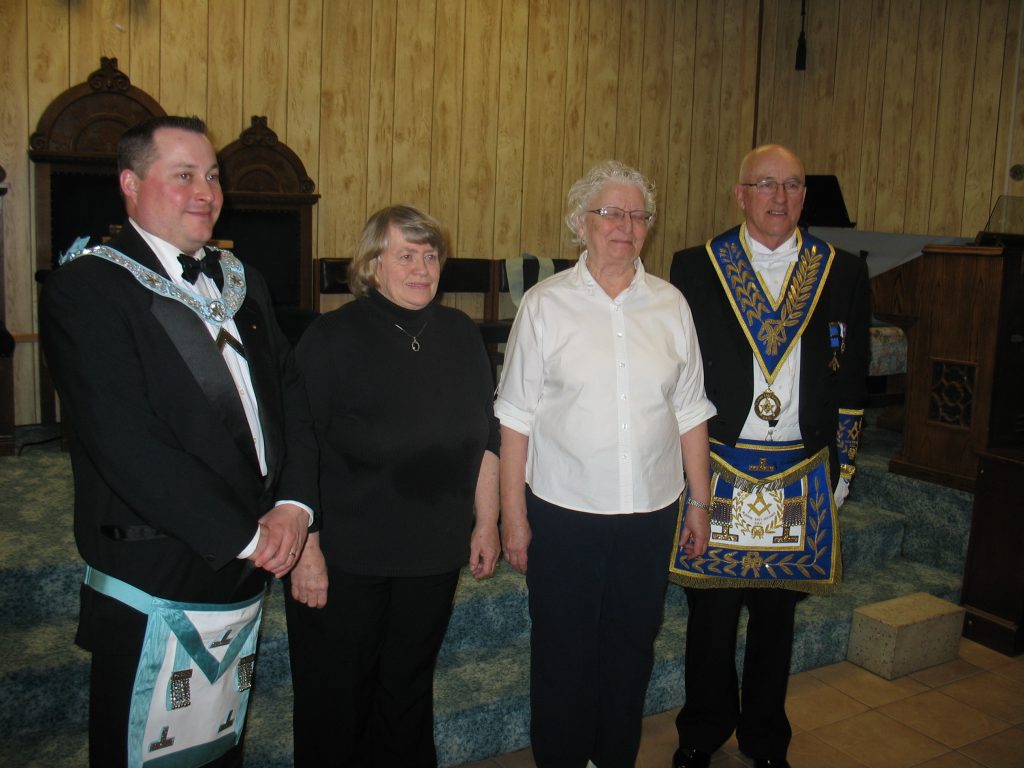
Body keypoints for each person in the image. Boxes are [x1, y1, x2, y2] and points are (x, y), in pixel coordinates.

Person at [39, 115, 318, 767]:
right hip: (159, 564)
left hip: (248, 559)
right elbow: (124, 443)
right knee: (147, 752)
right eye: (184, 175)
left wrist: (296, 506)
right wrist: (248, 537)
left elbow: (290, 399)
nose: (207, 191)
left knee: (217, 746)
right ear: (131, 184)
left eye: (213, 175)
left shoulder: (239, 281)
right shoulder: (88, 289)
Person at [496, 160, 716, 768]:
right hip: (565, 512)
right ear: (580, 224)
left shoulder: (671, 305)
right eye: (610, 213)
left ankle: (613, 757)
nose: (626, 225)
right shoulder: (545, 306)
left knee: (630, 648)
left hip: (650, 511)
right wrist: (512, 517)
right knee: (564, 650)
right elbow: (514, 417)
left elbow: (691, 410)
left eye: (637, 214)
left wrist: (699, 502)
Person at [668, 144, 870, 768]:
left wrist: (844, 466)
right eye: (764, 185)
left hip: (799, 470)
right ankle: (701, 731)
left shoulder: (840, 270)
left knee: (776, 620)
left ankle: (765, 740)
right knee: (710, 619)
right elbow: (677, 375)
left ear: (804, 195)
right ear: (740, 193)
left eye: (790, 185)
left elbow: (853, 376)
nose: (778, 198)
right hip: (720, 464)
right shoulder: (697, 266)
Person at [283, 204, 500, 767]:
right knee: (337, 700)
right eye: (407, 255)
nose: (422, 268)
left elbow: (486, 437)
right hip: (345, 556)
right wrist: (307, 549)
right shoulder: (330, 338)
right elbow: (296, 447)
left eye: (431, 256)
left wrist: (486, 521)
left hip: (430, 552)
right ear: (372, 263)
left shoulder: (459, 334)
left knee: (406, 691)